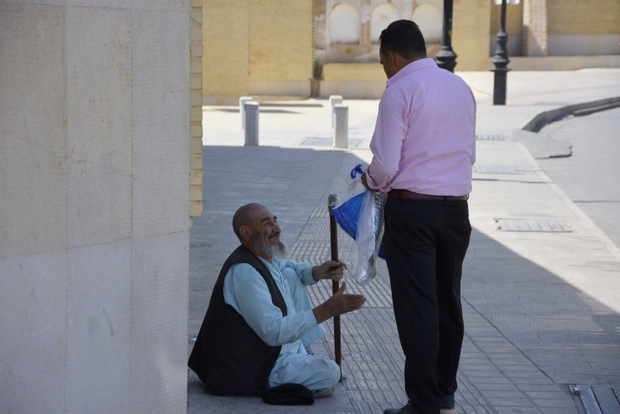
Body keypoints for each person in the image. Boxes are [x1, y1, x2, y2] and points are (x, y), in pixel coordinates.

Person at [361, 20, 476, 414]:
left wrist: (369, 179)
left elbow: (386, 165)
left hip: (412, 209)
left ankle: (423, 402)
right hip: (456, 209)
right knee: (447, 301)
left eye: (382, 62)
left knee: (418, 308)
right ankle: (443, 393)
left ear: (391, 56)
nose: (385, 70)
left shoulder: (399, 90)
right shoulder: (459, 85)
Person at [188, 203, 365, 403]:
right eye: (267, 224)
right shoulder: (245, 273)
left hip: (264, 350)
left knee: (289, 274)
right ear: (246, 232)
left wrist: (316, 272)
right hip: (247, 367)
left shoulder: (262, 258)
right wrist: (327, 310)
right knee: (330, 372)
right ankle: (292, 366)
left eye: (276, 220)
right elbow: (273, 332)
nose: (277, 229)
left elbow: (288, 266)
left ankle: (301, 352)